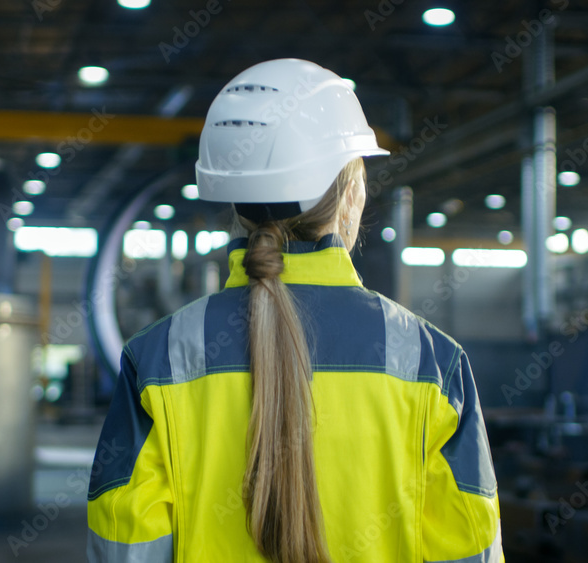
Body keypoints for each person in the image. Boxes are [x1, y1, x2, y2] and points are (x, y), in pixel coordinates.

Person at [87, 58, 503, 563]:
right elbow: (468, 549)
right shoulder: (433, 363)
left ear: (234, 206)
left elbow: (125, 548)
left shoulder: (156, 359)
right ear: (351, 197)